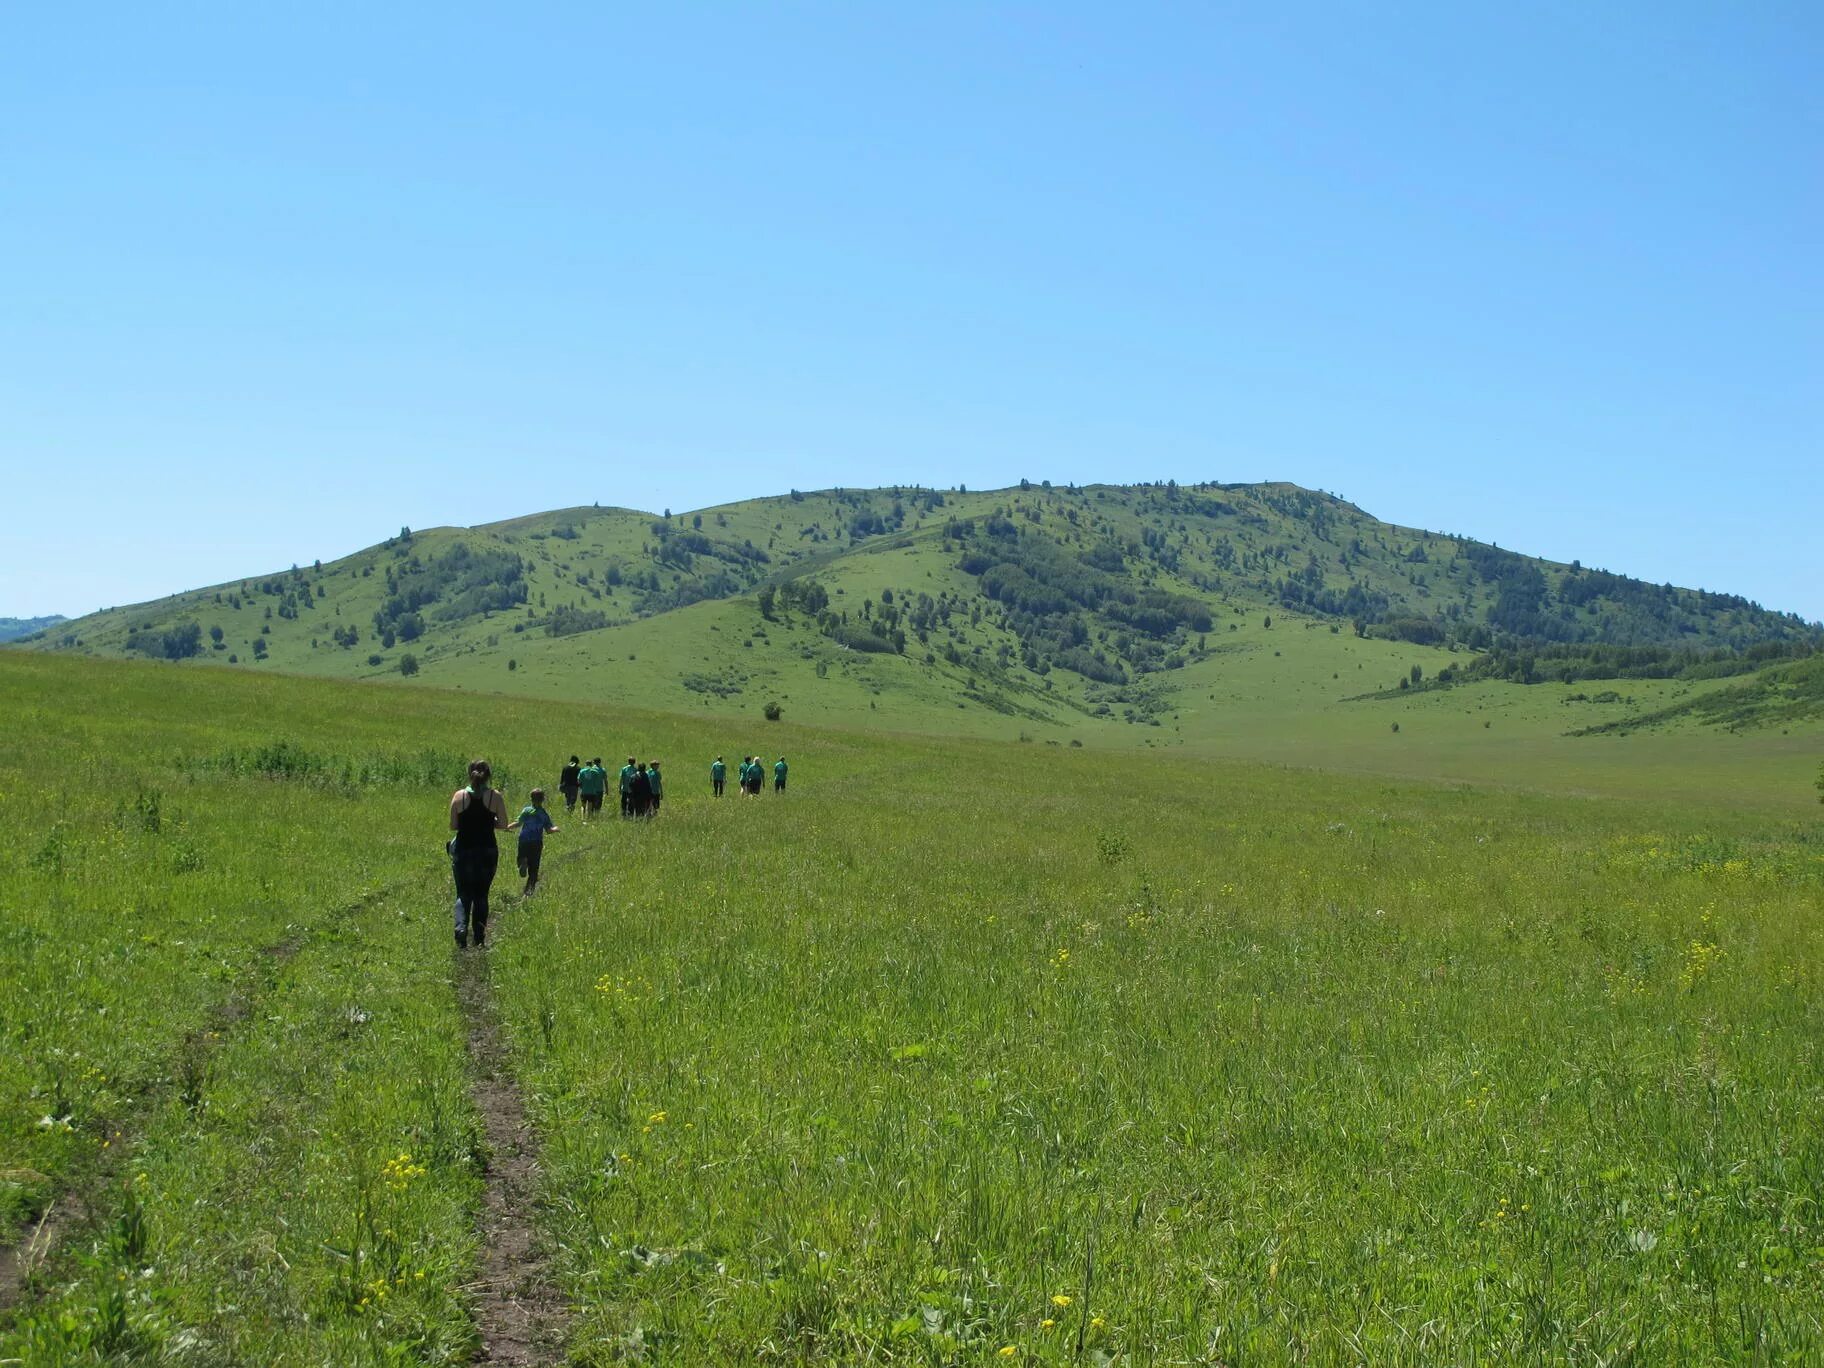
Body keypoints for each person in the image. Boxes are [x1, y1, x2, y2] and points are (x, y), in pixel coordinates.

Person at [449, 759, 510, 948]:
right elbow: (503, 824)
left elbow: (453, 826)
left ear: (470, 774)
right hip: (487, 850)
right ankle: (479, 936)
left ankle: (460, 928)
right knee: (482, 895)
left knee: (463, 894)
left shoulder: (459, 796)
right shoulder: (495, 797)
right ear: (488, 775)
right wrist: (488, 822)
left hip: (464, 849)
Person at [509, 788, 559, 896]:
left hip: (524, 840)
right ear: (543, 799)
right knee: (534, 869)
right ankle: (528, 892)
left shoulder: (526, 811)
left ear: (531, 799)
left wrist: (507, 827)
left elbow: (518, 823)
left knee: (521, 857)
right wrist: (556, 829)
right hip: (536, 842)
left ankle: (523, 861)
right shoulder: (543, 814)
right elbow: (549, 830)